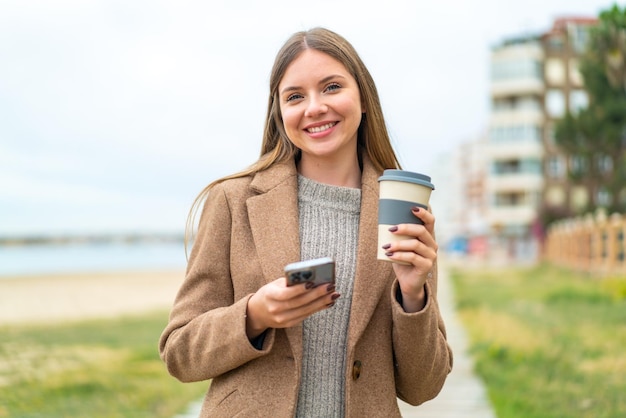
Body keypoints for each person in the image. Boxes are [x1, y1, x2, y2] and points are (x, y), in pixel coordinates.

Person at [159, 27, 453, 417]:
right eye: (295, 96)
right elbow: (179, 353)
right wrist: (255, 316)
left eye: (331, 87)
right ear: (280, 114)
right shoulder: (233, 200)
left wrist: (413, 295)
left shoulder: (402, 208)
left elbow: (423, 388)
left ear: (363, 98)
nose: (314, 107)